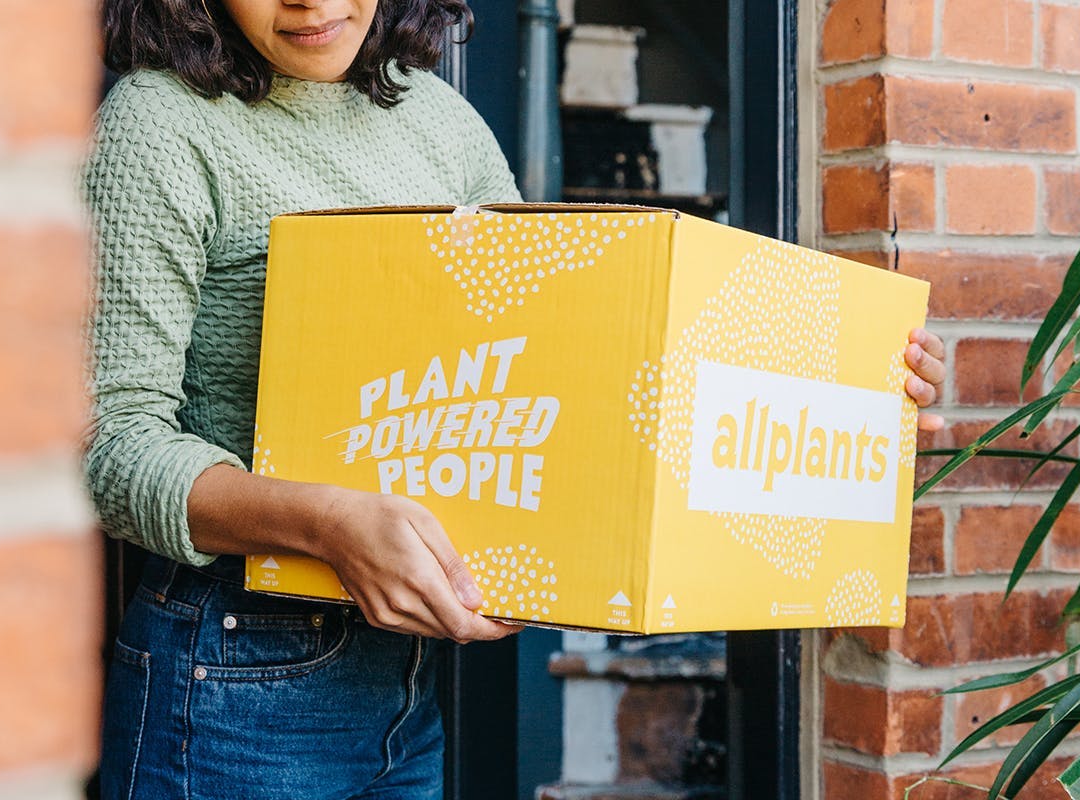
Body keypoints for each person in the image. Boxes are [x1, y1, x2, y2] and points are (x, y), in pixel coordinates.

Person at [83, 1, 948, 798]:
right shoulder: (159, 123)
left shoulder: (433, 116)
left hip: (410, 681)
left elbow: (569, 366)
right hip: (231, 679)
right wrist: (326, 525)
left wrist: (851, 403)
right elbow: (111, 448)